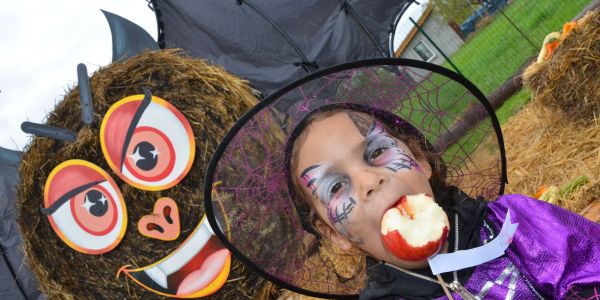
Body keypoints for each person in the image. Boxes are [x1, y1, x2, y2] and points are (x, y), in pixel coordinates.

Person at [203, 59, 600, 299]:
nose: (370, 181)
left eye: (375, 153)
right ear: (335, 235)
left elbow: (588, 264)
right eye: (336, 187)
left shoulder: (514, 225)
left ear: (421, 161)